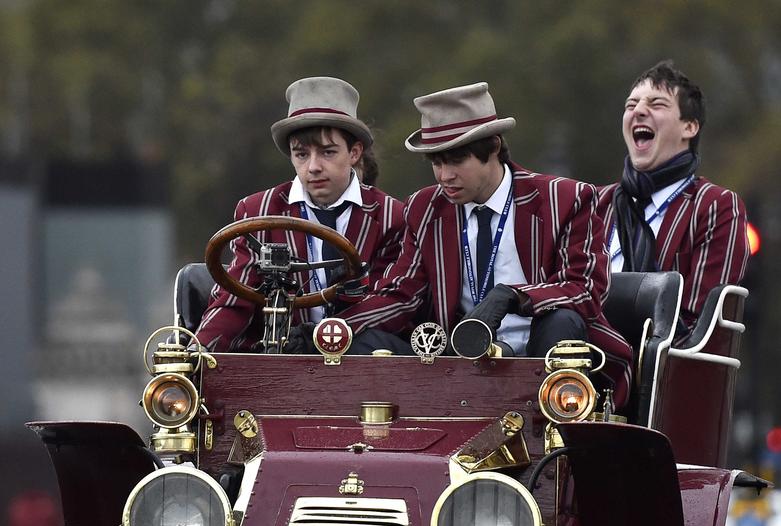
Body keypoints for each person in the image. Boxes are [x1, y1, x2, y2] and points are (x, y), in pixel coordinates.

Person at [346, 82, 633, 408]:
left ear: (493, 147)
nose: (444, 175)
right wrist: (334, 329)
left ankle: (555, 438)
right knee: (365, 343)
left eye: (456, 160)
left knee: (563, 321)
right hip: (459, 358)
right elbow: (401, 296)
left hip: (545, 355)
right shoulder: (424, 208)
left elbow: (585, 289)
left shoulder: (565, 199)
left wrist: (515, 297)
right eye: (436, 162)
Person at [195, 76, 404, 353]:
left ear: (354, 153)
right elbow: (235, 300)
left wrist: (321, 337)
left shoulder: (392, 215)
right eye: (301, 155)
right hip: (279, 364)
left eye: (328, 152)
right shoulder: (258, 212)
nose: (313, 167)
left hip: (362, 369)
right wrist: (197, 354)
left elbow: (391, 304)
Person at [598, 60, 749, 337]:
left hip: (657, 367)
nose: (639, 111)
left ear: (689, 127)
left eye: (656, 105)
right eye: (631, 106)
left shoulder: (715, 206)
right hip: (576, 362)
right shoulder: (597, 203)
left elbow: (697, 325)